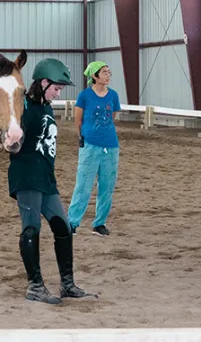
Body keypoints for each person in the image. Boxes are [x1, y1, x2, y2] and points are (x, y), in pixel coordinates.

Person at [8, 58, 92, 304]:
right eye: (56, 88)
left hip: (46, 178)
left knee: (63, 229)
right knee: (31, 229)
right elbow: (9, 133)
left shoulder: (46, 106)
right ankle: (35, 287)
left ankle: (67, 285)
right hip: (26, 176)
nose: (57, 93)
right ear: (43, 82)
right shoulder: (22, 105)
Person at [67, 61, 122, 236]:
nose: (108, 75)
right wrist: (83, 137)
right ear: (94, 76)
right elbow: (78, 120)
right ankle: (72, 222)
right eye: (104, 72)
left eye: (109, 72)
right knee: (83, 184)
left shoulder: (113, 95)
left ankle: (100, 223)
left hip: (111, 146)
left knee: (107, 186)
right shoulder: (84, 96)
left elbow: (112, 117)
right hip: (90, 145)